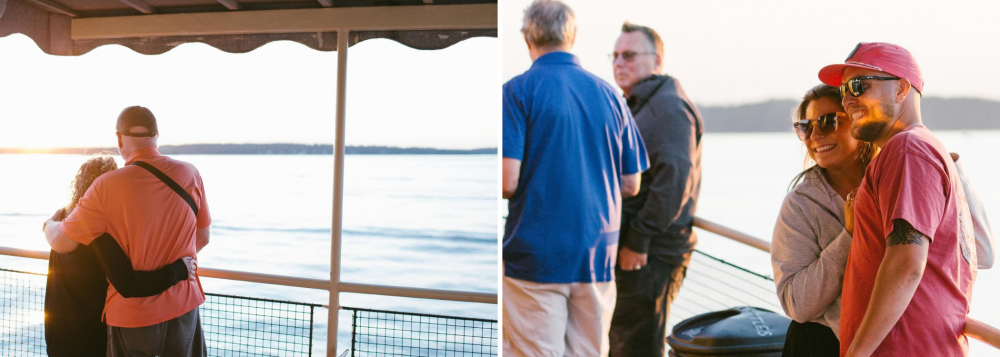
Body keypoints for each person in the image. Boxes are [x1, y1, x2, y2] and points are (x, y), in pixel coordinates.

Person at [501, 1, 650, 356]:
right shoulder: (611, 95)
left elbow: (508, 180)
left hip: (535, 258)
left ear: (527, 38)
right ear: (573, 36)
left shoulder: (517, 91)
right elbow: (632, 184)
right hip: (597, 254)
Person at [817, 42, 977, 357]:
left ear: (902, 89)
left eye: (858, 86)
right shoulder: (925, 148)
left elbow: (907, 264)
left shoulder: (908, 150)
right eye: (844, 91)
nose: (847, 100)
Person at [43, 106, 212, 357]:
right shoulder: (190, 173)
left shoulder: (107, 186)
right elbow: (202, 238)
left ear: (119, 138)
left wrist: (49, 224)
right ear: (156, 136)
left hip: (133, 317)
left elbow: (63, 242)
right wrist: (169, 263)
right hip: (183, 306)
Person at [607, 22, 703, 357]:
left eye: (630, 55)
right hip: (635, 252)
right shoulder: (640, 104)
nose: (619, 63)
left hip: (650, 257)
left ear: (657, 60)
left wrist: (638, 241)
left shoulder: (668, 108)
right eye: (616, 55)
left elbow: (674, 181)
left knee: (636, 348)